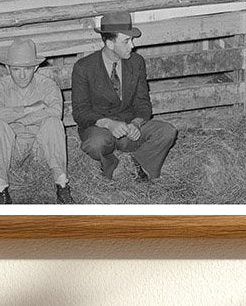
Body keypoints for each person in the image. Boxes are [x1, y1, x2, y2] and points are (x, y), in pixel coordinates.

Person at [71, 13, 177, 182]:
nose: (132, 46)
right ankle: (112, 165)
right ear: (110, 43)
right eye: (126, 41)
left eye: (132, 40)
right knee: (94, 144)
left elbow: (143, 102)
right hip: (101, 128)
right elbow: (80, 112)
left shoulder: (136, 62)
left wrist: (136, 123)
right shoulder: (84, 68)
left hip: (129, 128)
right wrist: (108, 123)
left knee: (167, 131)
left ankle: (138, 165)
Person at [0, 38, 72, 205]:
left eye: (27, 69)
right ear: (7, 67)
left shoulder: (48, 86)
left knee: (53, 123)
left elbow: (54, 111)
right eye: (16, 69)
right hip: (11, 151)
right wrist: (28, 109)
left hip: (42, 150)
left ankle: (62, 185)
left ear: (36, 67)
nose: (22, 75)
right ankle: (1, 190)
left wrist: (12, 116)